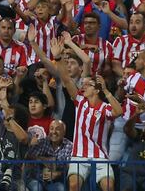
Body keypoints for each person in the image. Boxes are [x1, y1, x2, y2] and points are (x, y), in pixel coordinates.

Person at [50, 36, 123, 191]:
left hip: (100, 156)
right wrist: (57, 57)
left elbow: (119, 111)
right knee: (74, 185)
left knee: (108, 186)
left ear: (96, 89)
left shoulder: (105, 107)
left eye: (87, 85)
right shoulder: (80, 101)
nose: (83, 87)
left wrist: (106, 91)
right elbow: (66, 79)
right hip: (79, 155)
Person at [0, 77, 30, 190]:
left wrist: (9, 117)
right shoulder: (0, 126)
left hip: (14, 180)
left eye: (10, 114)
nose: (5, 115)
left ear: (18, 120)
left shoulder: (25, 134)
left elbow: (23, 138)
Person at [25, 120, 73, 191]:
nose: (54, 132)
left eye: (58, 129)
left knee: (61, 188)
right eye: (51, 129)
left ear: (64, 133)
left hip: (56, 181)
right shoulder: (42, 142)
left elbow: (69, 166)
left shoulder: (69, 146)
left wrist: (57, 174)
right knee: (37, 188)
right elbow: (28, 158)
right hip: (36, 178)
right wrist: (43, 160)